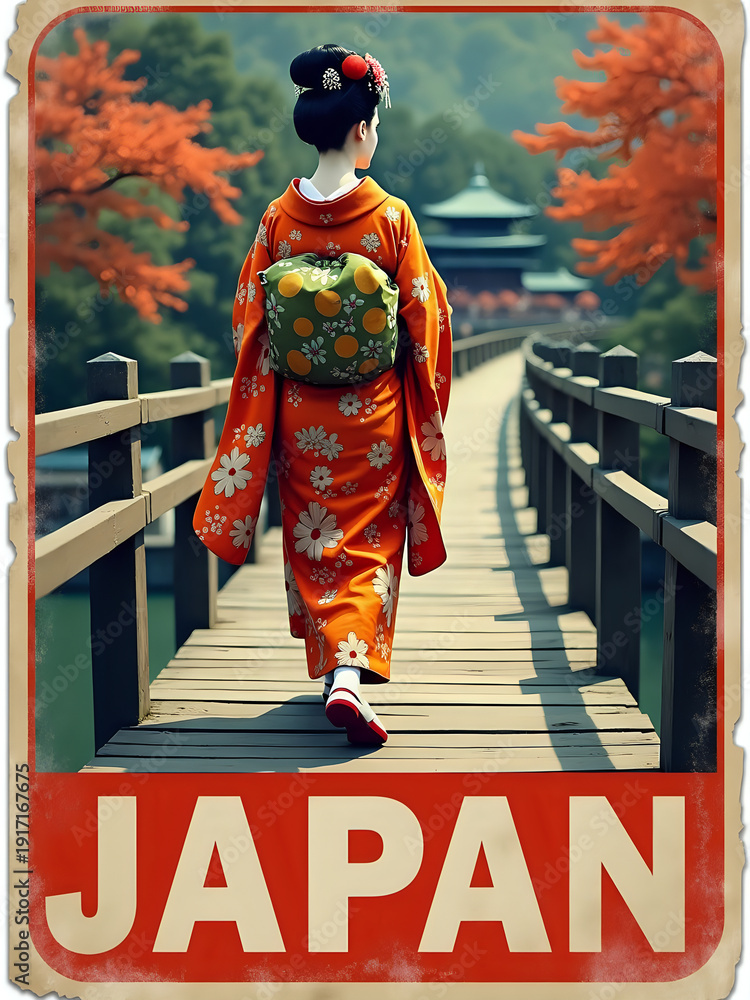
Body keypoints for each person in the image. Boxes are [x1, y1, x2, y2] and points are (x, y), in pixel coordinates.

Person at [191, 43, 453, 746]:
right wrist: (428, 402)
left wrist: (263, 407)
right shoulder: (391, 217)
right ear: (363, 129)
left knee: (316, 541)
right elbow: (426, 317)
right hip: (376, 416)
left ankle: (333, 668)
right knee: (371, 540)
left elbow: (252, 315)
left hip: (303, 413)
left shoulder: (278, 220)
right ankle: (349, 676)